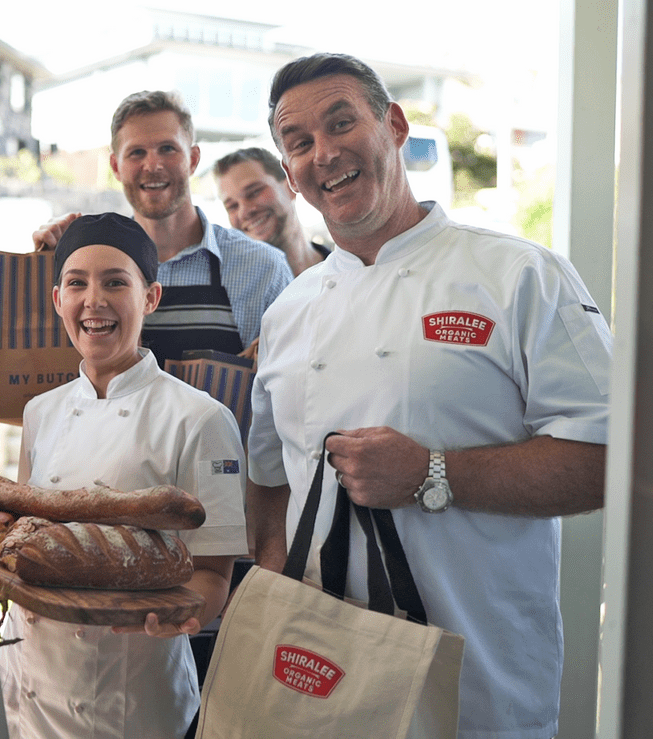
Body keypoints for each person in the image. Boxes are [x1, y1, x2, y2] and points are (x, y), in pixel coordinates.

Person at [248, 53, 610, 739]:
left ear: (393, 125)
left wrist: (431, 474)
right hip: (315, 696)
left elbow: (611, 457)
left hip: (477, 693)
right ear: (291, 175)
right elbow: (272, 480)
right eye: (298, 143)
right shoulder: (287, 313)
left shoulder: (519, 275)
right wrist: (278, 590)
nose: (324, 152)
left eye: (341, 121)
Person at [1, 213, 248, 739]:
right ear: (57, 300)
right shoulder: (40, 411)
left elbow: (213, 575)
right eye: (77, 283)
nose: (94, 300)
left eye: (116, 281)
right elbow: (27, 539)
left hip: (126, 697)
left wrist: (175, 617)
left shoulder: (199, 418)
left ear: (151, 297)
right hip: (27, 682)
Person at [32, 91, 293, 366]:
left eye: (168, 149)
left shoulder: (264, 268)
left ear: (192, 160)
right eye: (136, 153)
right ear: (115, 167)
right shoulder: (84, 269)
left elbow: (286, 389)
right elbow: (52, 373)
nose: (153, 165)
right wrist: (42, 264)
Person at [213, 146, 329, 277]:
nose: (243, 212)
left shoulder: (348, 269)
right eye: (232, 206)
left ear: (290, 186)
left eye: (254, 192)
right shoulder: (235, 292)